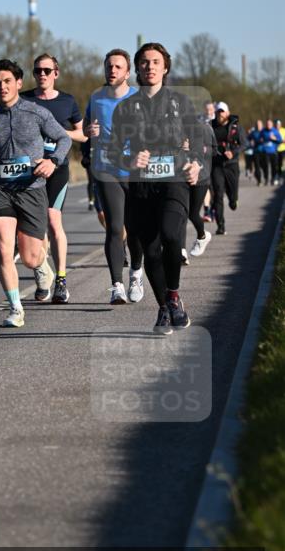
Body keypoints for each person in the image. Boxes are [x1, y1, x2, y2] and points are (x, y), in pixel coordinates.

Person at [107, 42, 204, 333]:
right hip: (141, 187)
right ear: (137, 68)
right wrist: (130, 158)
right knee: (150, 252)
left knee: (173, 237)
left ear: (165, 67)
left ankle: (173, 296)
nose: (150, 66)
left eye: (155, 62)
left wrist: (196, 162)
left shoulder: (181, 103)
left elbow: (197, 137)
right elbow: (111, 151)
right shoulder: (125, 107)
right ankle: (164, 308)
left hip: (174, 180)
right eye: (145, 62)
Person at [0, 59, 71, 327]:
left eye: (7, 81)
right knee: (4, 248)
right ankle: (15, 307)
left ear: (18, 83)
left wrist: (53, 162)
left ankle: (42, 266)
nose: (2, 86)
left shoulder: (35, 112)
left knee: (30, 256)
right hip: (0, 190)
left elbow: (63, 138)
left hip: (31, 190)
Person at [22, 53, 85, 304]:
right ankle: (43, 271)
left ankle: (61, 279)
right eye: (38, 71)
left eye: (47, 71)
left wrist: (60, 133)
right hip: (30, 170)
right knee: (35, 226)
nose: (42, 75)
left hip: (57, 168)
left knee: (52, 218)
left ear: (56, 73)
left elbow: (82, 135)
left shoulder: (67, 102)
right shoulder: (25, 99)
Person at [84, 49, 144, 305]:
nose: (112, 70)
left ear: (128, 73)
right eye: (109, 66)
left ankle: (136, 273)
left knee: (137, 229)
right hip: (106, 169)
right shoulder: (96, 98)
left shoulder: (140, 98)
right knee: (115, 227)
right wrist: (87, 130)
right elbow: (85, 128)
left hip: (134, 171)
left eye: (118, 67)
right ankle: (116, 285)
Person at [210, 101, 247, 235]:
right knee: (218, 195)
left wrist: (233, 152)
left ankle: (233, 200)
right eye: (218, 112)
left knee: (232, 196)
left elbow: (244, 144)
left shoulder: (236, 127)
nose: (220, 114)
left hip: (232, 165)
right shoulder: (211, 126)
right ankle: (221, 226)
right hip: (217, 165)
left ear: (228, 113)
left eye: (222, 111)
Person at [187, 113, 217, 257]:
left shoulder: (203, 129)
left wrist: (204, 150)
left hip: (202, 177)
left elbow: (215, 150)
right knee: (180, 212)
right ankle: (180, 251)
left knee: (192, 213)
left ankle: (202, 236)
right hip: (182, 177)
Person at [256, 118, 280, 186]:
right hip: (265, 152)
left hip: (273, 152)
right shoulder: (263, 131)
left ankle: (273, 178)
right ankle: (266, 179)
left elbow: (280, 140)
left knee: (274, 166)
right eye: (267, 124)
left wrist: (274, 138)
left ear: (272, 124)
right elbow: (258, 139)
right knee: (265, 166)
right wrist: (260, 140)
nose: (268, 125)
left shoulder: (275, 131)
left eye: (269, 124)